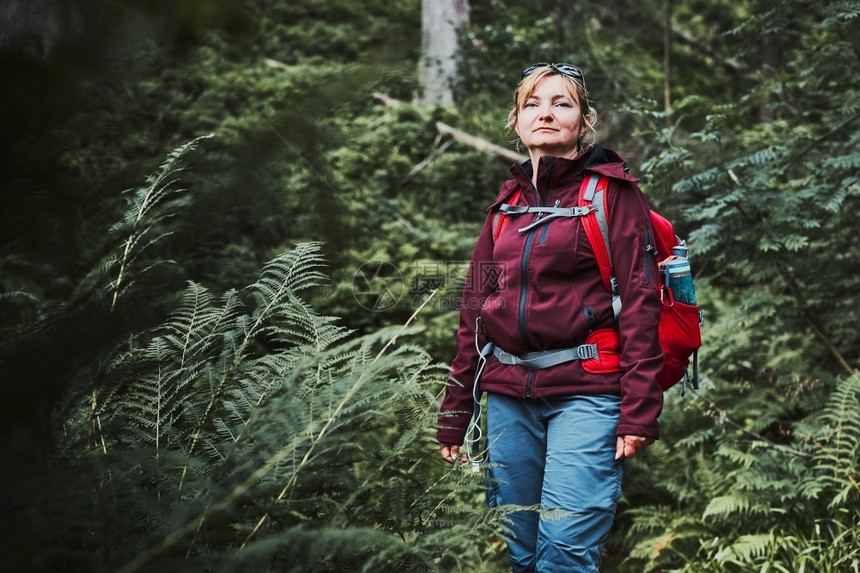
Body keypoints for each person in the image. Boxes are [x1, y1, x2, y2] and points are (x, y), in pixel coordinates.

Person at [436, 63, 664, 572]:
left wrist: (640, 408)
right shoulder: (506, 205)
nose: (546, 113)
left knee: (564, 553)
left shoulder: (612, 194)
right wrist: (456, 412)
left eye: (562, 103)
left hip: (588, 392)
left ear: (584, 122)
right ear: (516, 122)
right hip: (507, 398)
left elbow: (641, 301)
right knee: (521, 553)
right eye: (533, 104)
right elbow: (474, 311)